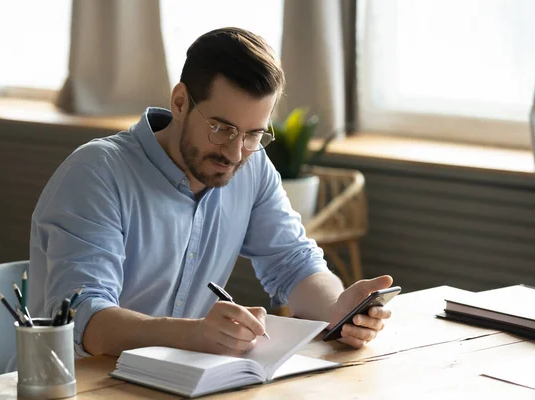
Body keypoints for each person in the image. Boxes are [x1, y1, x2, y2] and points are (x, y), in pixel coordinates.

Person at [29, 27, 393, 358]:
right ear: (180, 102)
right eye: (221, 128)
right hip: (76, 385)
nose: (235, 153)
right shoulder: (96, 173)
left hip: (176, 382)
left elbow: (293, 263)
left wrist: (339, 310)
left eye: (253, 134)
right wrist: (193, 335)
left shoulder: (253, 166)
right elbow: (84, 321)